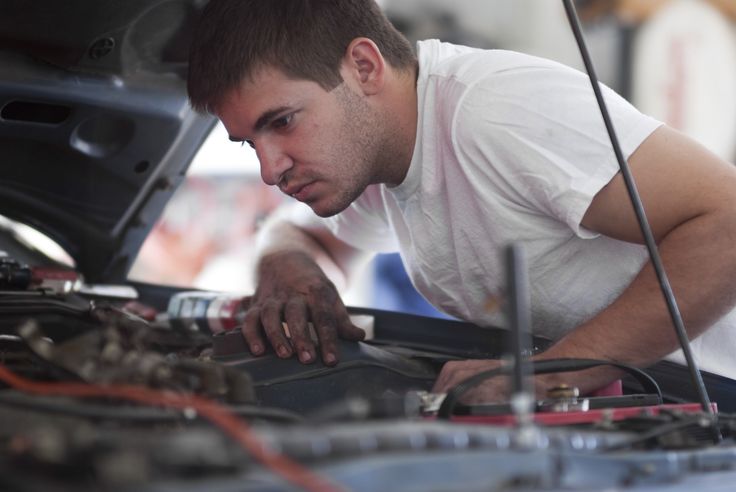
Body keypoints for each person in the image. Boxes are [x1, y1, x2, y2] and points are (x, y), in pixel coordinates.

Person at [187, 0, 736, 403]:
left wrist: (550, 373)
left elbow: (728, 219)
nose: (269, 168)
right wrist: (287, 266)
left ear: (363, 67)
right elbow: (297, 234)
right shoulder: (374, 156)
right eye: (249, 143)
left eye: (281, 122)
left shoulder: (494, 112)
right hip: (639, 406)